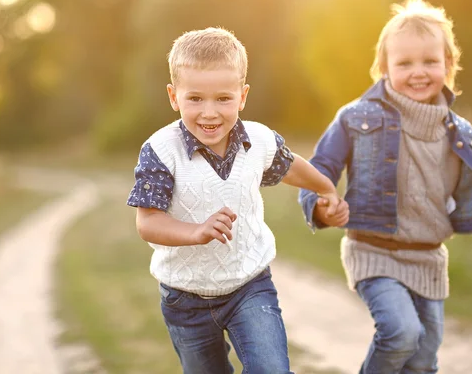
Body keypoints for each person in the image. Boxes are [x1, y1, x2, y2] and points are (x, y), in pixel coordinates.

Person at [298, 0, 472, 374]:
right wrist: (322, 202)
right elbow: (321, 166)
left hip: (428, 257)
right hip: (374, 252)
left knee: (422, 358)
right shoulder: (357, 117)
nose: (418, 72)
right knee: (401, 332)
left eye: (430, 61)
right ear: (383, 70)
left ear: (448, 66)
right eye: (404, 63)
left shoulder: (461, 133)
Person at [126, 27, 347, 374]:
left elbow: (289, 167)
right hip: (184, 297)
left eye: (223, 99)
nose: (210, 113)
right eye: (195, 99)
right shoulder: (160, 151)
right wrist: (196, 231)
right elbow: (148, 222)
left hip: (249, 285)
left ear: (242, 97)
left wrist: (326, 187)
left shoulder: (258, 140)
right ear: (174, 96)